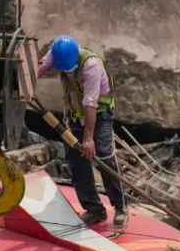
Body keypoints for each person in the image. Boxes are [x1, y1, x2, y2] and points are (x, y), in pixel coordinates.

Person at [35, 35, 128, 226]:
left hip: (99, 115)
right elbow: (37, 70)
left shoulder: (91, 66)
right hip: (75, 115)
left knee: (104, 155)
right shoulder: (56, 53)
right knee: (76, 159)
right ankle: (94, 209)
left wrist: (88, 139)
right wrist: (23, 80)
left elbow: (90, 104)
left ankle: (120, 206)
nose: (66, 72)